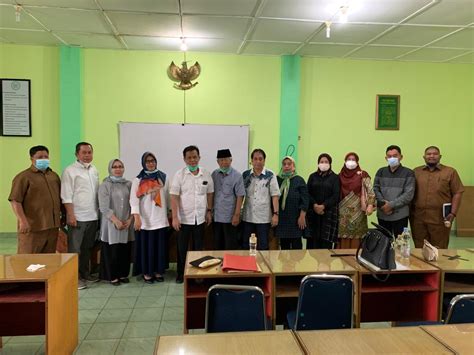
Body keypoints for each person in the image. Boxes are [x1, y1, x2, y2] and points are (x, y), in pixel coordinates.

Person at [171, 145, 214, 283]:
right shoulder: (179, 175)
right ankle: (181, 274)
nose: (192, 160)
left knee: (198, 248)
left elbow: (210, 193)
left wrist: (209, 211)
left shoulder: (206, 173)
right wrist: (175, 217)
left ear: (199, 157)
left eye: (195, 157)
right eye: (189, 158)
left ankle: (197, 275)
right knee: (182, 248)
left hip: (200, 218)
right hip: (184, 219)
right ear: (184, 159)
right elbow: (174, 196)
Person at [8, 145, 61, 254]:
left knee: (48, 259)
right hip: (32, 227)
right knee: (28, 259)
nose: (44, 159)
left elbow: (60, 198)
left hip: (52, 227)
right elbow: (15, 201)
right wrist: (22, 221)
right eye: (40, 157)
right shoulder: (23, 177)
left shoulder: (54, 176)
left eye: (46, 156)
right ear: (32, 159)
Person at [61, 142, 99, 290]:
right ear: (77, 154)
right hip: (77, 217)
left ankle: (85, 274)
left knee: (87, 248)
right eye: (84, 152)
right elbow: (66, 195)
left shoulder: (94, 169)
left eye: (90, 152)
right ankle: (74, 278)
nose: (87, 155)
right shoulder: (70, 171)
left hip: (92, 215)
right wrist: (71, 215)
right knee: (74, 249)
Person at [411, 146, 464, 248]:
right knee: (419, 248)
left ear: (440, 156)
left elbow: (458, 192)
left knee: (440, 249)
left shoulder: (450, 172)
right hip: (418, 218)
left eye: (435, 154)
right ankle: (421, 265)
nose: (432, 156)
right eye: (428, 154)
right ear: (424, 157)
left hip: (440, 218)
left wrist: (453, 213)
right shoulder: (416, 172)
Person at [130, 152, 170, 284]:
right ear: (143, 163)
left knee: (159, 247)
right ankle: (147, 273)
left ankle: (158, 272)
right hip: (145, 219)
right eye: (147, 161)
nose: (151, 163)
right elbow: (134, 200)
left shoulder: (163, 177)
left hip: (160, 217)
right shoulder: (138, 180)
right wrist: (137, 217)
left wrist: (169, 212)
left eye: (153, 160)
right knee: (147, 247)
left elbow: (167, 197)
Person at [98, 159, 134, 286]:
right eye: (115, 167)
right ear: (110, 169)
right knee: (112, 250)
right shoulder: (105, 185)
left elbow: (133, 204)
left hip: (126, 222)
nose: (118, 169)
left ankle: (123, 274)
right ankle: (113, 276)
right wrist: (116, 221)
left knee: (124, 250)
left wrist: (130, 219)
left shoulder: (129, 184)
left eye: (120, 166)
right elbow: (103, 207)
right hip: (111, 223)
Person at [241, 149, 280, 250]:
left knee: (263, 245)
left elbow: (275, 195)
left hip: (263, 217)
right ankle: (247, 265)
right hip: (247, 216)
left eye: (260, 159)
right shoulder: (245, 175)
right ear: (251, 161)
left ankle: (262, 266)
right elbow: (241, 195)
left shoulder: (270, 175)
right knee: (246, 245)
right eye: (255, 159)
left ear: (264, 160)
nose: (258, 161)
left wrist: (276, 214)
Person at [373, 145, 415, 238]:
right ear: (386, 158)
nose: (392, 158)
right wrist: (383, 204)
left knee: (401, 243)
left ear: (401, 157)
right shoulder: (381, 171)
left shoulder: (408, 173)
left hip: (400, 215)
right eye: (389, 156)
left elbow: (408, 194)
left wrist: (391, 205)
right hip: (382, 213)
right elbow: (375, 189)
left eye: (395, 156)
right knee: (383, 242)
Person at [338, 152, 375, 249]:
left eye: (353, 160)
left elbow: (371, 192)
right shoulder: (339, 176)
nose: (351, 162)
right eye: (348, 159)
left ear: (357, 162)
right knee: (343, 240)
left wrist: (370, 205)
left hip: (358, 213)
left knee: (357, 241)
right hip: (343, 214)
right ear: (345, 162)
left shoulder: (363, 175)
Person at [211, 149, 245, 250]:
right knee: (218, 245)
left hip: (230, 217)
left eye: (226, 160)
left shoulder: (237, 175)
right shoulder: (214, 174)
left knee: (230, 246)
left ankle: (230, 265)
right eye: (221, 160)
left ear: (231, 160)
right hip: (216, 217)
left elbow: (240, 196)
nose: (224, 162)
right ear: (218, 162)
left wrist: (236, 215)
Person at [306, 153, 340, 249]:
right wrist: (314, 205)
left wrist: (323, 206)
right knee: (312, 244)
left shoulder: (335, 178)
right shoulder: (312, 176)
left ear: (330, 164)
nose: (323, 164)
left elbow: (336, 195)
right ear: (318, 163)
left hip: (328, 214)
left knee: (325, 245)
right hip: (313, 213)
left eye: (326, 162)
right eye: (321, 162)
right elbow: (307, 193)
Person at [275, 156, 309, 250]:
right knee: (284, 249)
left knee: (296, 248)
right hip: (282, 219)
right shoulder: (277, 179)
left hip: (296, 219)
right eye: (284, 164)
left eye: (289, 164)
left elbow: (305, 199)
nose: (286, 166)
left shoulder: (299, 180)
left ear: (293, 166)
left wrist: (302, 216)